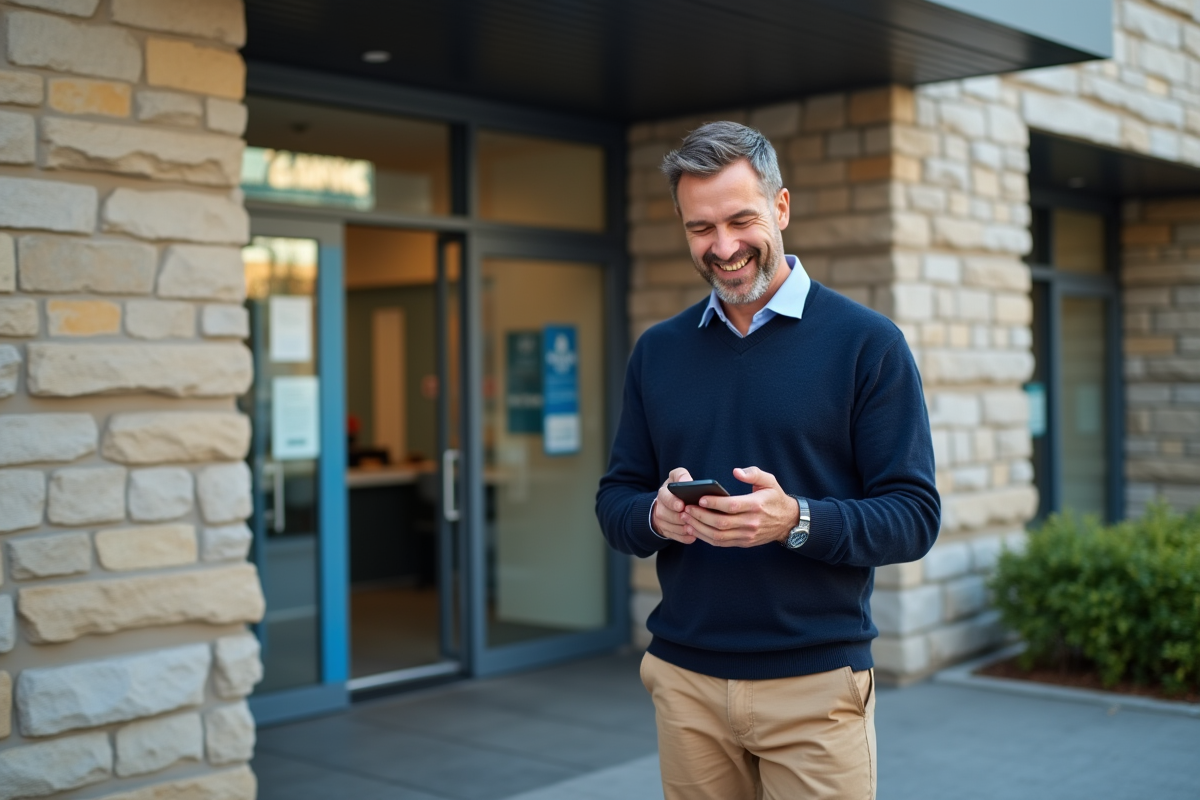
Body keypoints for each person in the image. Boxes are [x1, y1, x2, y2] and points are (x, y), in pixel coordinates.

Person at [595, 121, 940, 800]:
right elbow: (615, 503)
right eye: (700, 228)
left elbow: (913, 516)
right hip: (686, 684)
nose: (723, 248)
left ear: (781, 208)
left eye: (740, 220)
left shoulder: (867, 345)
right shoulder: (658, 353)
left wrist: (795, 520)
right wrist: (657, 516)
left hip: (814, 689)